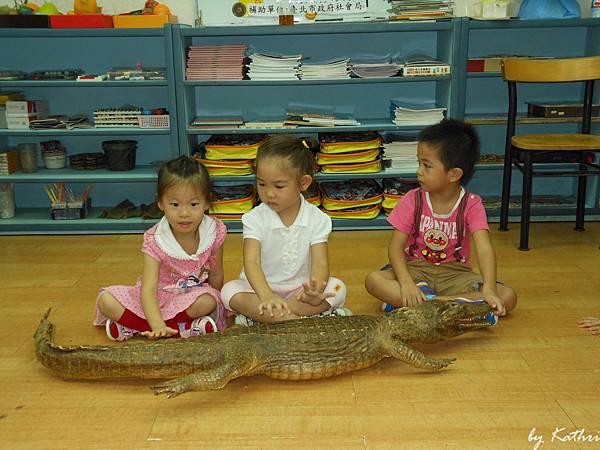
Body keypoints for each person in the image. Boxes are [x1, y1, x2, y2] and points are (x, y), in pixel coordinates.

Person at [365, 119, 517, 317]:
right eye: (419, 163)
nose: (419, 171)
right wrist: (406, 283)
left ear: (453, 174)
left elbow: (484, 248)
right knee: (373, 280)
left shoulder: (471, 204)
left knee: (508, 296)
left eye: (427, 166)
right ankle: (451, 308)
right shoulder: (412, 199)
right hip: (415, 269)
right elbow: (395, 247)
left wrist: (488, 288)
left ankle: (425, 304)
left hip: (455, 274)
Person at [94, 156, 228, 341]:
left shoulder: (214, 230)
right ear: (160, 203)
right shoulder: (154, 239)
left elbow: (216, 274)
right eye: (174, 204)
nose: (184, 213)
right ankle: (182, 329)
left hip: (189, 296)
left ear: (206, 202)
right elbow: (148, 290)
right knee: (106, 300)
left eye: (194, 204)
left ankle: (133, 328)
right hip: (155, 295)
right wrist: (156, 324)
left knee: (208, 300)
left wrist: (218, 306)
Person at [221, 134, 349, 325]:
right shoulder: (255, 218)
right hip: (259, 289)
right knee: (229, 292)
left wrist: (316, 291)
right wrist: (266, 295)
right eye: (261, 184)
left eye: (279, 186)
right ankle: (300, 321)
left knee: (338, 288)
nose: (269, 193)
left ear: (304, 183)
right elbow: (252, 262)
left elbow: (320, 264)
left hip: (300, 292)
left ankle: (267, 318)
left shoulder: (317, 219)